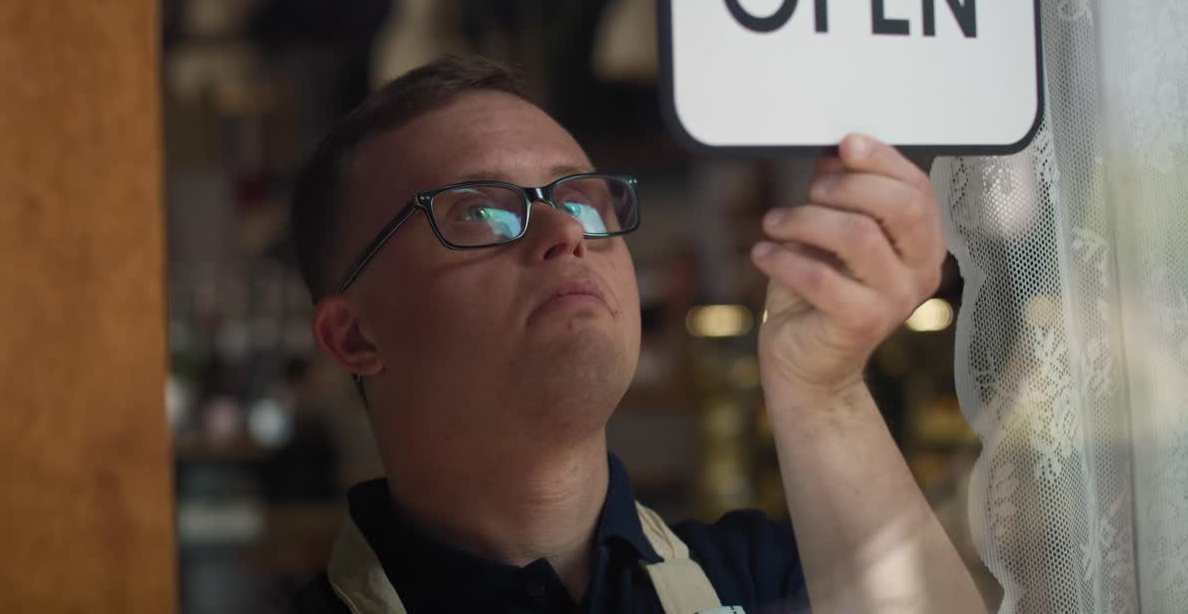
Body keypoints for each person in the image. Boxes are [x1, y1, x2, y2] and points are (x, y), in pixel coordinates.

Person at [290, 56, 984, 613]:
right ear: (352, 338)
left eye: (582, 199)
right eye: (478, 211)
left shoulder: (772, 583)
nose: (564, 232)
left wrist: (820, 388)